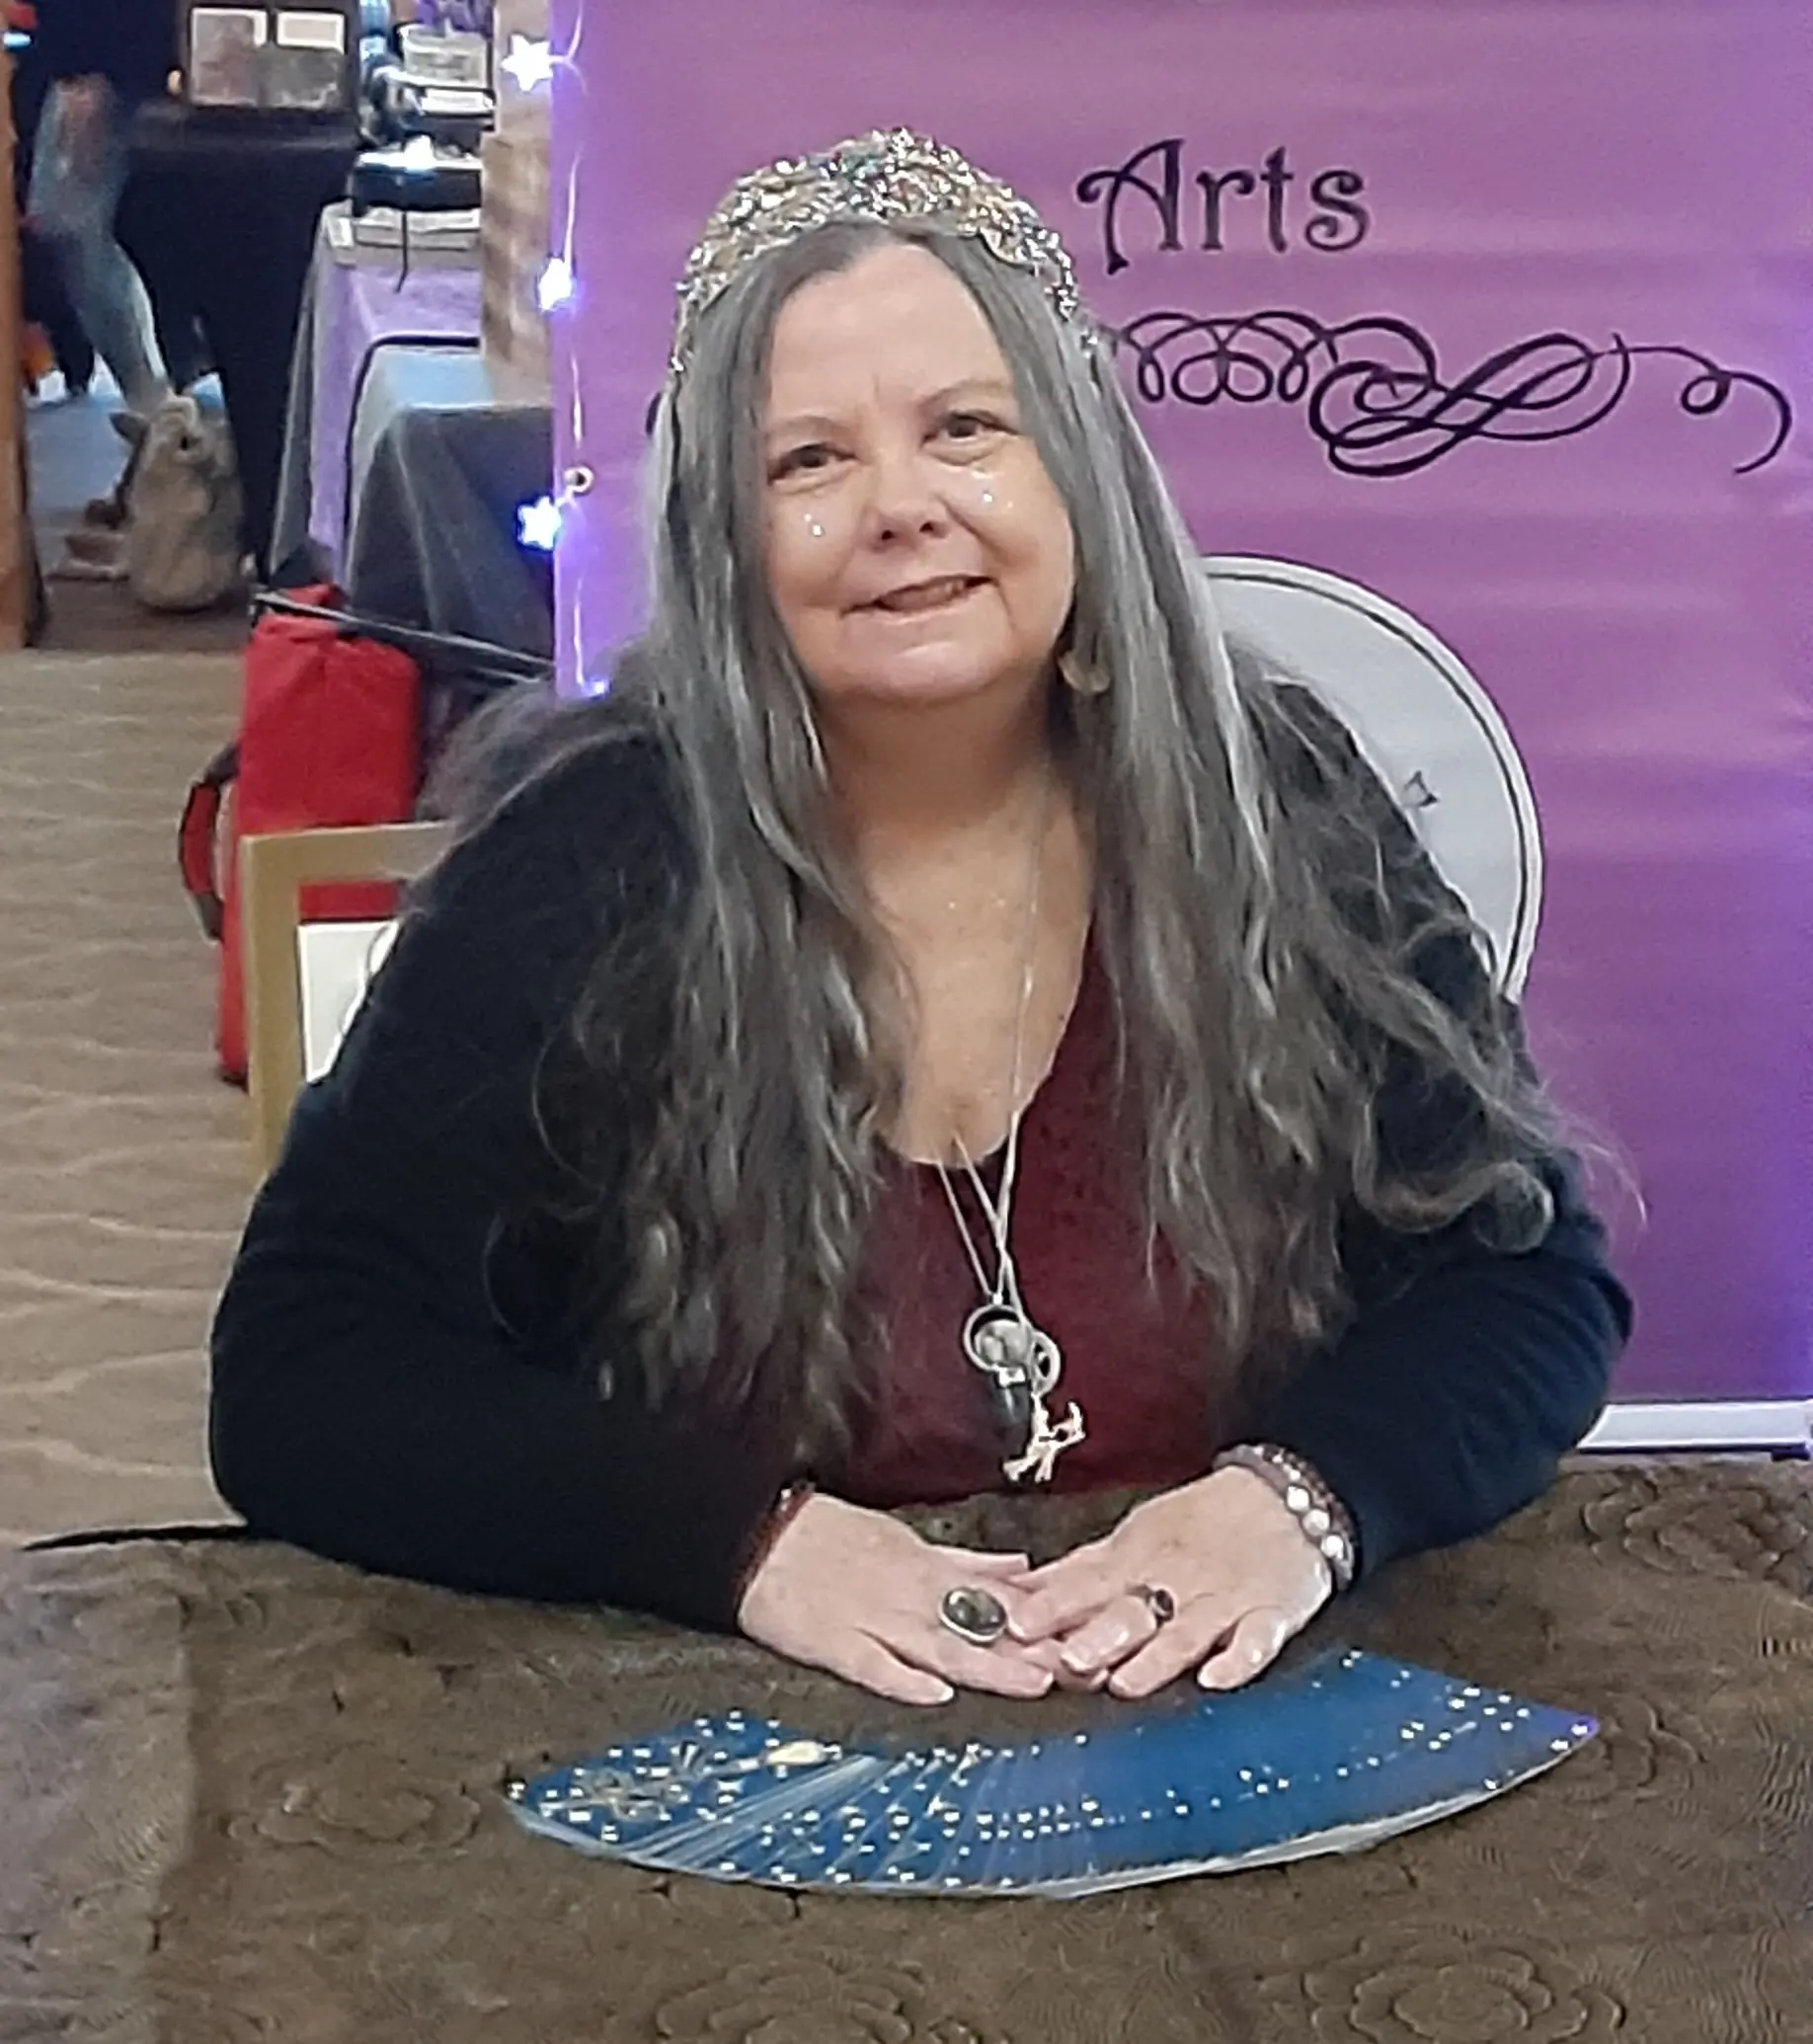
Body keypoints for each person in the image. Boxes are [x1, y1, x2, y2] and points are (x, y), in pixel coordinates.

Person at [208, 130, 1631, 1708]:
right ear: (727, 543)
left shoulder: (1276, 804)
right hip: (730, 1774)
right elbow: (301, 1374)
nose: (900, 506)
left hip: (1222, 1725)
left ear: (1077, 474)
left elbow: (1530, 1282)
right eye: (807, 461)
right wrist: (743, 1541)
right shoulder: (591, 853)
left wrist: (1295, 1504)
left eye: (967, 429)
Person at [27, 0, 175, 423]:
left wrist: (79, 66)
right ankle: (156, 398)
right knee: (73, 224)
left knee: (72, 221)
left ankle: (156, 401)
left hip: (109, 61)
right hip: (111, 58)